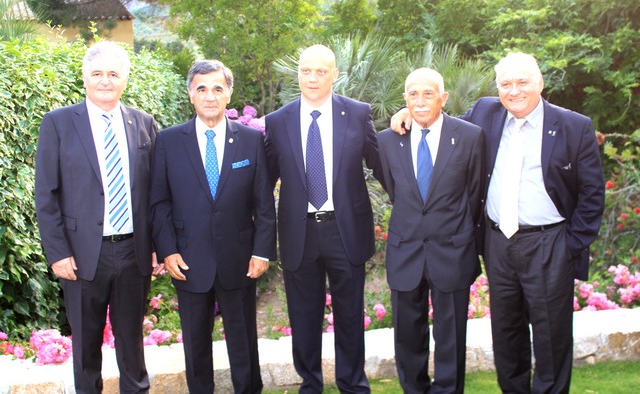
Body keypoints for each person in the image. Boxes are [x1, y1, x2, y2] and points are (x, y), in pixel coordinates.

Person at [391, 53, 605, 393]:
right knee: (506, 334)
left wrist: (571, 245)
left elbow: (592, 195)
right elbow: (440, 122)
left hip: (549, 244)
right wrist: (408, 113)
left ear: (540, 83)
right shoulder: (485, 112)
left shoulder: (573, 126)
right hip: (498, 243)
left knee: (551, 337)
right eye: (506, 84)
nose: (514, 90)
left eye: (522, 82)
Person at [35, 41, 163, 393]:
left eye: (113, 74)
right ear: (85, 77)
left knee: (132, 344)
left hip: (133, 253)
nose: (105, 80)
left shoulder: (143, 123)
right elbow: (46, 194)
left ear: (125, 79)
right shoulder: (58, 123)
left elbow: (155, 193)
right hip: (80, 255)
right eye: (97, 73)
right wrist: (58, 252)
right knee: (86, 346)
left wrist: (157, 245)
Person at [149, 60, 276, 394]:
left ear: (228, 94)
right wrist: (168, 251)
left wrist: (262, 251)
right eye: (202, 88)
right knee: (195, 346)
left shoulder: (250, 140)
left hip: (240, 259)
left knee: (244, 343)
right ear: (190, 94)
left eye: (218, 88)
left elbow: (264, 204)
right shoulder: (168, 141)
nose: (210, 96)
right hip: (188, 261)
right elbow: (159, 202)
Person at [264, 44, 384, 393]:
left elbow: (381, 164)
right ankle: (310, 385)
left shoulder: (357, 114)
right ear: (298, 74)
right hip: (299, 233)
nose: (312, 78)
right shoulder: (278, 121)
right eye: (306, 71)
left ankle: (353, 385)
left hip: (346, 231)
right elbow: (264, 181)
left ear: (335, 74)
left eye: (321, 71)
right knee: (303, 318)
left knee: (350, 316)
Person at [379, 68, 484, 393]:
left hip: (452, 250)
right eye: (413, 94)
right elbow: (396, 191)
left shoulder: (469, 136)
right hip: (405, 251)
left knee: (451, 337)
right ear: (405, 99)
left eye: (429, 93)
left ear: (444, 97)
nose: (420, 101)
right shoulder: (388, 140)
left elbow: (474, 194)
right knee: (407, 338)